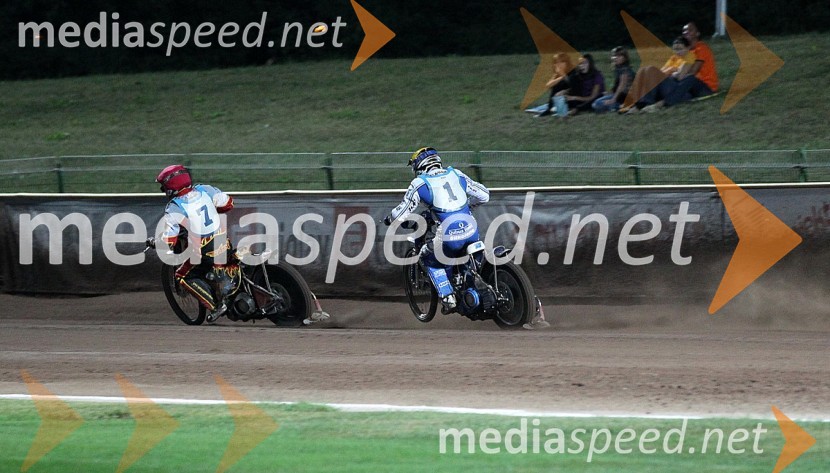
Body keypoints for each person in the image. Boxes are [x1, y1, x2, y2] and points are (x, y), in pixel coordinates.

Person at [382, 147, 490, 313]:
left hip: (450, 236)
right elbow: (484, 195)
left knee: (427, 257)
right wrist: (466, 207)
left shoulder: (419, 183)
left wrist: (390, 219)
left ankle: (448, 297)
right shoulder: (456, 174)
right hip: (472, 230)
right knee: (468, 265)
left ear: (419, 166)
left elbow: (401, 213)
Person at [147, 165, 236, 322]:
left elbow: (169, 240)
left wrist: (156, 242)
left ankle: (216, 306)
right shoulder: (205, 189)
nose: (163, 190)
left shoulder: (174, 207)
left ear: (170, 186)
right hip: (224, 242)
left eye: (163, 187)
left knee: (182, 275)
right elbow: (228, 203)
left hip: (205, 252)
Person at [621, 36, 698, 113]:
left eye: (680, 49)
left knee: (651, 69)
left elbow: (680, 76)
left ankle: (644, 103)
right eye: (675, 49)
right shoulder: (674, 58)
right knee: (643, 70)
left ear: (688, 48)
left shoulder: (689, 56)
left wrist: (670, 72)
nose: (677, 52)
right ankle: (633, 102)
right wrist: (671, 70)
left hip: (675, 87)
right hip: (666, 83)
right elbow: (662, 71)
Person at [592, 46, 634, 113]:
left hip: (624, 97)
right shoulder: (618, 68)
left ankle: (619, 107)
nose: (616, 58)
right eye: (615, 56)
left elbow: (622, 86)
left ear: (625, 58)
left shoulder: (625, 70)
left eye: (619, 56)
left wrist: (613, 99)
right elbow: (617, 85)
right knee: (596, 103)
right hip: (618, 95)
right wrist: (610, 93)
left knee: (598, 104)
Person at [535, 53, 578, 117]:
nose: (558, 65)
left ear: (567, 62)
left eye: (561, 62)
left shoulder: (573, 71)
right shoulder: (558, 73)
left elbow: (573, 85)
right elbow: (548, 85)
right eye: (556, 63)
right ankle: (549, 109)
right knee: (555, 86)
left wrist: (563, 75)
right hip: (562, 97)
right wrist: (561, 76)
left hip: (574, 95)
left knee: (560, 88)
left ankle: (573, 109)